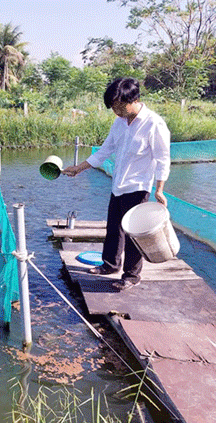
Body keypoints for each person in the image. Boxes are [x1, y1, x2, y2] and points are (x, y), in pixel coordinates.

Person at [62, 77, 171, 291]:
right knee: (113, 229)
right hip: (118, 185)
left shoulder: (154, 123)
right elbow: (105, 150)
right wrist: (79, 168)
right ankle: (110, 265)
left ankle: (131, 275)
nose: (116, 111)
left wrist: (159, 189)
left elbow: (162, 158)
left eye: (119, 106)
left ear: (134, 99)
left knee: (133, 234)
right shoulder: (120, 122)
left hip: (138, 188)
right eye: (113, 107)